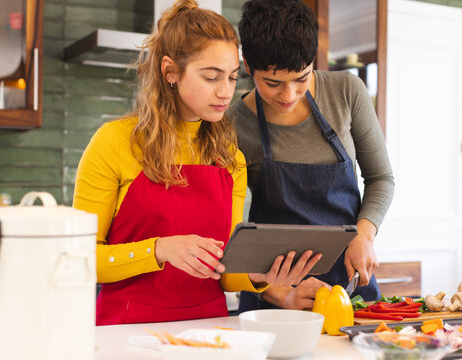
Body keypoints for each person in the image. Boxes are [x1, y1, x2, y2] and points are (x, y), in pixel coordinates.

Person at [73, 0, 320, 326]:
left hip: (209, 331)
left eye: (232, 78)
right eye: (211, 77)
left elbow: (225, 273)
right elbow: (78, 258)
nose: (225, 92)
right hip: (125, 333)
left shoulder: (230, 157)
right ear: (170, 72)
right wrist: (159, 250)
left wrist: (259, 274)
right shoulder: (114, 142)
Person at [231, 0, 395, 312]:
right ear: (248, 66)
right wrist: (275, 292)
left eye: (301, 78)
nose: (289, 95)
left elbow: (381, 178)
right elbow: (225, 227)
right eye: (273, 83)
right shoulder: (233, 124)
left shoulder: (347, 91)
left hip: (348, 283)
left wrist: (365, 236)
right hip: (274, 293)